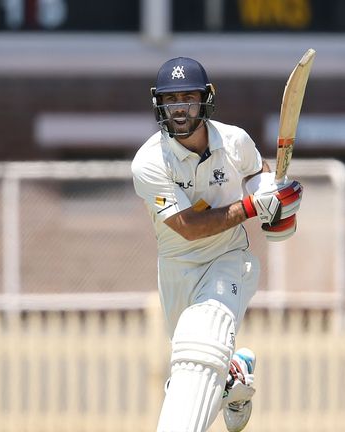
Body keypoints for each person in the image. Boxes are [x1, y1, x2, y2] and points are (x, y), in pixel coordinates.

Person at [132, 57, 304, 432]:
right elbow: (189, 228)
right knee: (190, 371)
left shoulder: (235, 141)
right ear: (158, 104)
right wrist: (254, 206)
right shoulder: (149, 162)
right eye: (170, 99)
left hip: (229, 259)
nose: (179, 108)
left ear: (206, 99)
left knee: (199, 353)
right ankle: (234, 377)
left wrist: (275, 201)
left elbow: (257, 175)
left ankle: (223, 373)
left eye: (187, 98)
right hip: (177, 266)